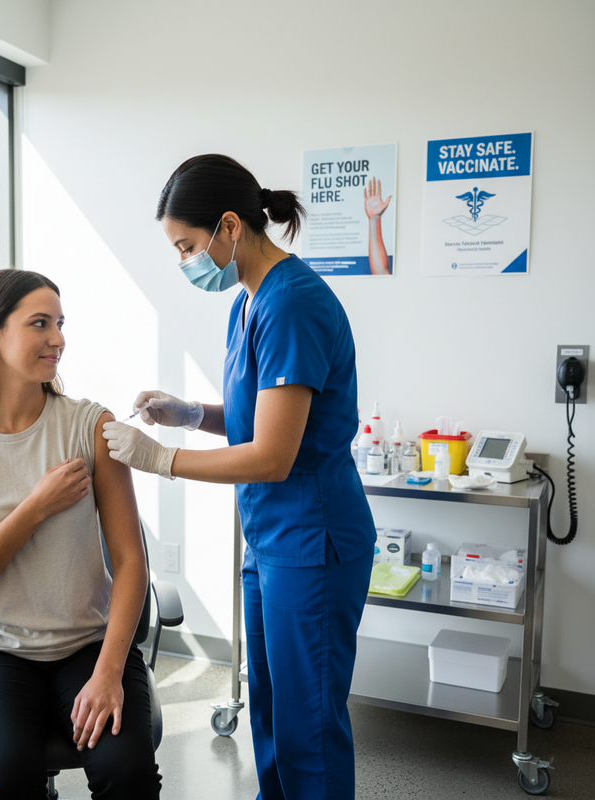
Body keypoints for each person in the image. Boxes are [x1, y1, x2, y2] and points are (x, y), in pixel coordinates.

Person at [102, 154, 376, 800]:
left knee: (309, 723)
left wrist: (160, 458)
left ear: (229, 227)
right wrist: (191, 414)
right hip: (270, 539)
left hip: (312, 539)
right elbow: (259, 418)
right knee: (271, 710)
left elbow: (272, 455)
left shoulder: (293, 303)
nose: (184, 262)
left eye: (187, 246)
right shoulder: (247, 303)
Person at [0, 269, 162, 800]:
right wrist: (36, 507)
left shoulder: (90, 426)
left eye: (61, 324)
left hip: (88, 647)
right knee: (8, 776)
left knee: (128, 773)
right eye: (40, 323)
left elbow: (130, 561)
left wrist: (109, 671)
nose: (58, 339)